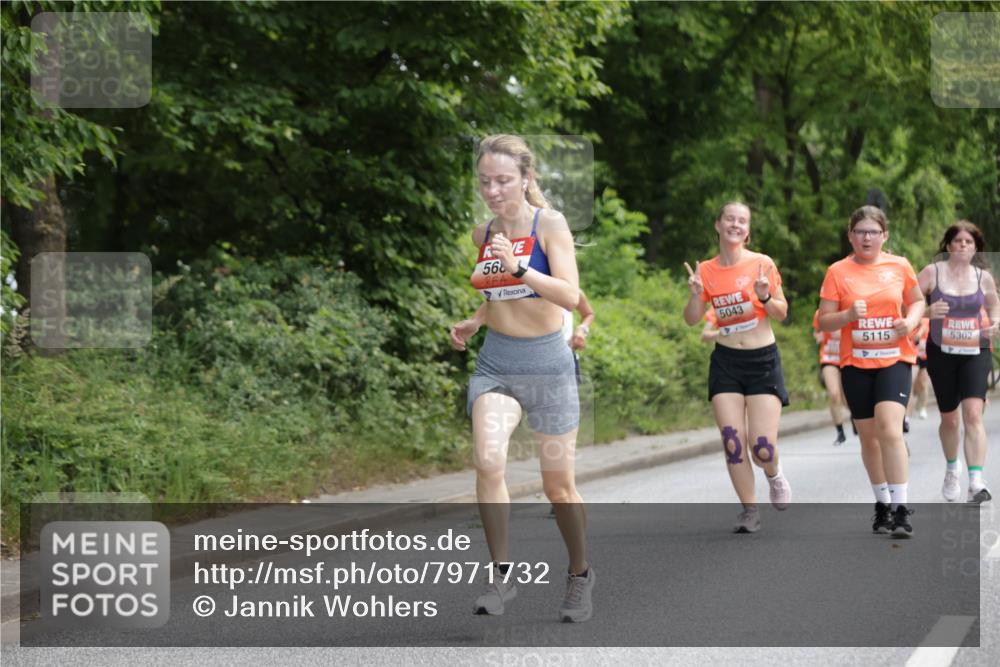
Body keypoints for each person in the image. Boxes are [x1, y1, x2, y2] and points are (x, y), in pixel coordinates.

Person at [448, 134, 593, 622]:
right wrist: (476, 319)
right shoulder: (482, 233)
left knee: (559, 489)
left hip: (549, 367)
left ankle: (578, 574)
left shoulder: (549, 223)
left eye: (503, 180)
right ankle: (501, 576)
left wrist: (520, 268)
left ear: (526, 179)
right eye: (485, 180)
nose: (493, 189)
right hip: (497, 365)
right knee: (488, 462)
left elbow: (571, 297)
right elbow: (496, 295)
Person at [683, 201, 792, 534]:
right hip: (727, 362)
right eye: (729, 219)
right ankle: (749, 509)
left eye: (742, 221)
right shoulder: (706, 270)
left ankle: (773, 474)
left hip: (762, 361)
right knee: (732, 440)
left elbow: (781, 313)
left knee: (762, 446)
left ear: (748, 230)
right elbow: (691, 319)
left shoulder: (762, 264)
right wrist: (695, 295)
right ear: (718, 225)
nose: (735, 225)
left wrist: (763, 297)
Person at [818, 206, 925, 537]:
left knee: (890, 430)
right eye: (860, 232)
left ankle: (901, 510)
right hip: (856, 363)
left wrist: (909, 321)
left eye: (873, 232)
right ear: (850, 236)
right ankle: (882, 503)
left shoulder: (900, 265)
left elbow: (918, 301)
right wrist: (848, 315)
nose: (867, 238)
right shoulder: (837, 271)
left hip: (895, 359)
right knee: (869, 438)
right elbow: (823, 320)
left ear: (885, 236)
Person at [917, 221, 1000, 504]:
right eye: (958, 241)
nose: (963, 245)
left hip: (976, 350)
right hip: (942, 351)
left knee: (973, 415)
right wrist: (927, 311)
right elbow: (907, 305)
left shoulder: (983, 277)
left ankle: (976, 481)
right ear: (949, 245)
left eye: (969, 242)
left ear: (975, 247)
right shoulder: (931, 273)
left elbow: (993, 303)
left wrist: (996, 322)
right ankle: (953, 468)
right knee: (950, 419)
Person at [813, 308, 849, 445]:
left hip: (846, 359)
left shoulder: (849, 311)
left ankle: (857, 418)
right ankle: (840, 432)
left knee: (847, 398)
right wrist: (818, 336)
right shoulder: (820, 313)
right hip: (828, 358)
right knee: (834, 394)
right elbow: (816, 332)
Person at [906, 317, 931, 423]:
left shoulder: (926, 320)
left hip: (925, 355)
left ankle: (923, 408)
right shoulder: (911, 317)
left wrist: (920, 332)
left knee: (923, 383)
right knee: (910, 383)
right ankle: (907, 414)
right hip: (913, 354)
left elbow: (924, 326)